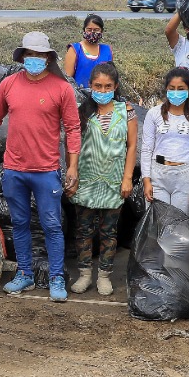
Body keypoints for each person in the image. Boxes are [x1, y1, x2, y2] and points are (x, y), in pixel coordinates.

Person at [0, 32, 81, 303]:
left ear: (48, 58)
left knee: (51, 225)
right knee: (19, 223)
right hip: (14, 169)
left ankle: (56, 277)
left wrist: (72, 167)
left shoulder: (61, 89)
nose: (34, 59)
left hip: (46, 170)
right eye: (29, 55)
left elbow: (73, 128)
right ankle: (24, 273)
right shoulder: (9, 85)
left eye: (39, 55)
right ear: (22, 57)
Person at [69, 62, 138, 297]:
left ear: (115, 86)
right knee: (83, 230)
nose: (102, 90)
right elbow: (73, 146)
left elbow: (131, 146)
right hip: (87, 181)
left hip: (114, 181)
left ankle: (104, 276)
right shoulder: (83, 111)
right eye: (98, 86)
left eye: (108, 86)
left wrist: (127, 178)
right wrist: (72, 174)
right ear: (90, 85)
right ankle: (84, 274)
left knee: (109, 232)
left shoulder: (126, 110)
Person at [141, 67, 189, 213]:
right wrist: (146, 180)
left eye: (181, 88)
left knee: (179, 223)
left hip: (186, 177)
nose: (176, 92)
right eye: (172, 88)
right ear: (166, 89)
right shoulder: (154, 114)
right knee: (158, 222)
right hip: (158, 175)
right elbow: (146, 149)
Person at [62, 14, 113, 90]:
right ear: (84, 30)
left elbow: (111, 77)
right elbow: (68, 80)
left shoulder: (107, 50)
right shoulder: (75, 49)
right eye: (89, 30)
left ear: (101, 31)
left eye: (96, 30)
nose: (92, 32)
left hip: (102, 93)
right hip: (79, 94)